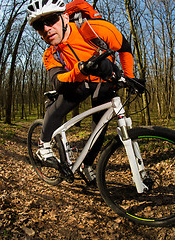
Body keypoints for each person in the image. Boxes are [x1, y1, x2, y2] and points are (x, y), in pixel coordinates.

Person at [27, 0, 135, 183]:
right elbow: (59, 82)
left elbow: (124, 47)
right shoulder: (50, 54)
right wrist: (82, 69)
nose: (46, 28)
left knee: (99, 129)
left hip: (104, 82)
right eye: (39, 25)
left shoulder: (95, 29)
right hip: (78, 83)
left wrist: (130, 77)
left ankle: (87, 164)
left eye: (51, 20)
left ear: (65, 17)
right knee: (60, 103)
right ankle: (43, 145)